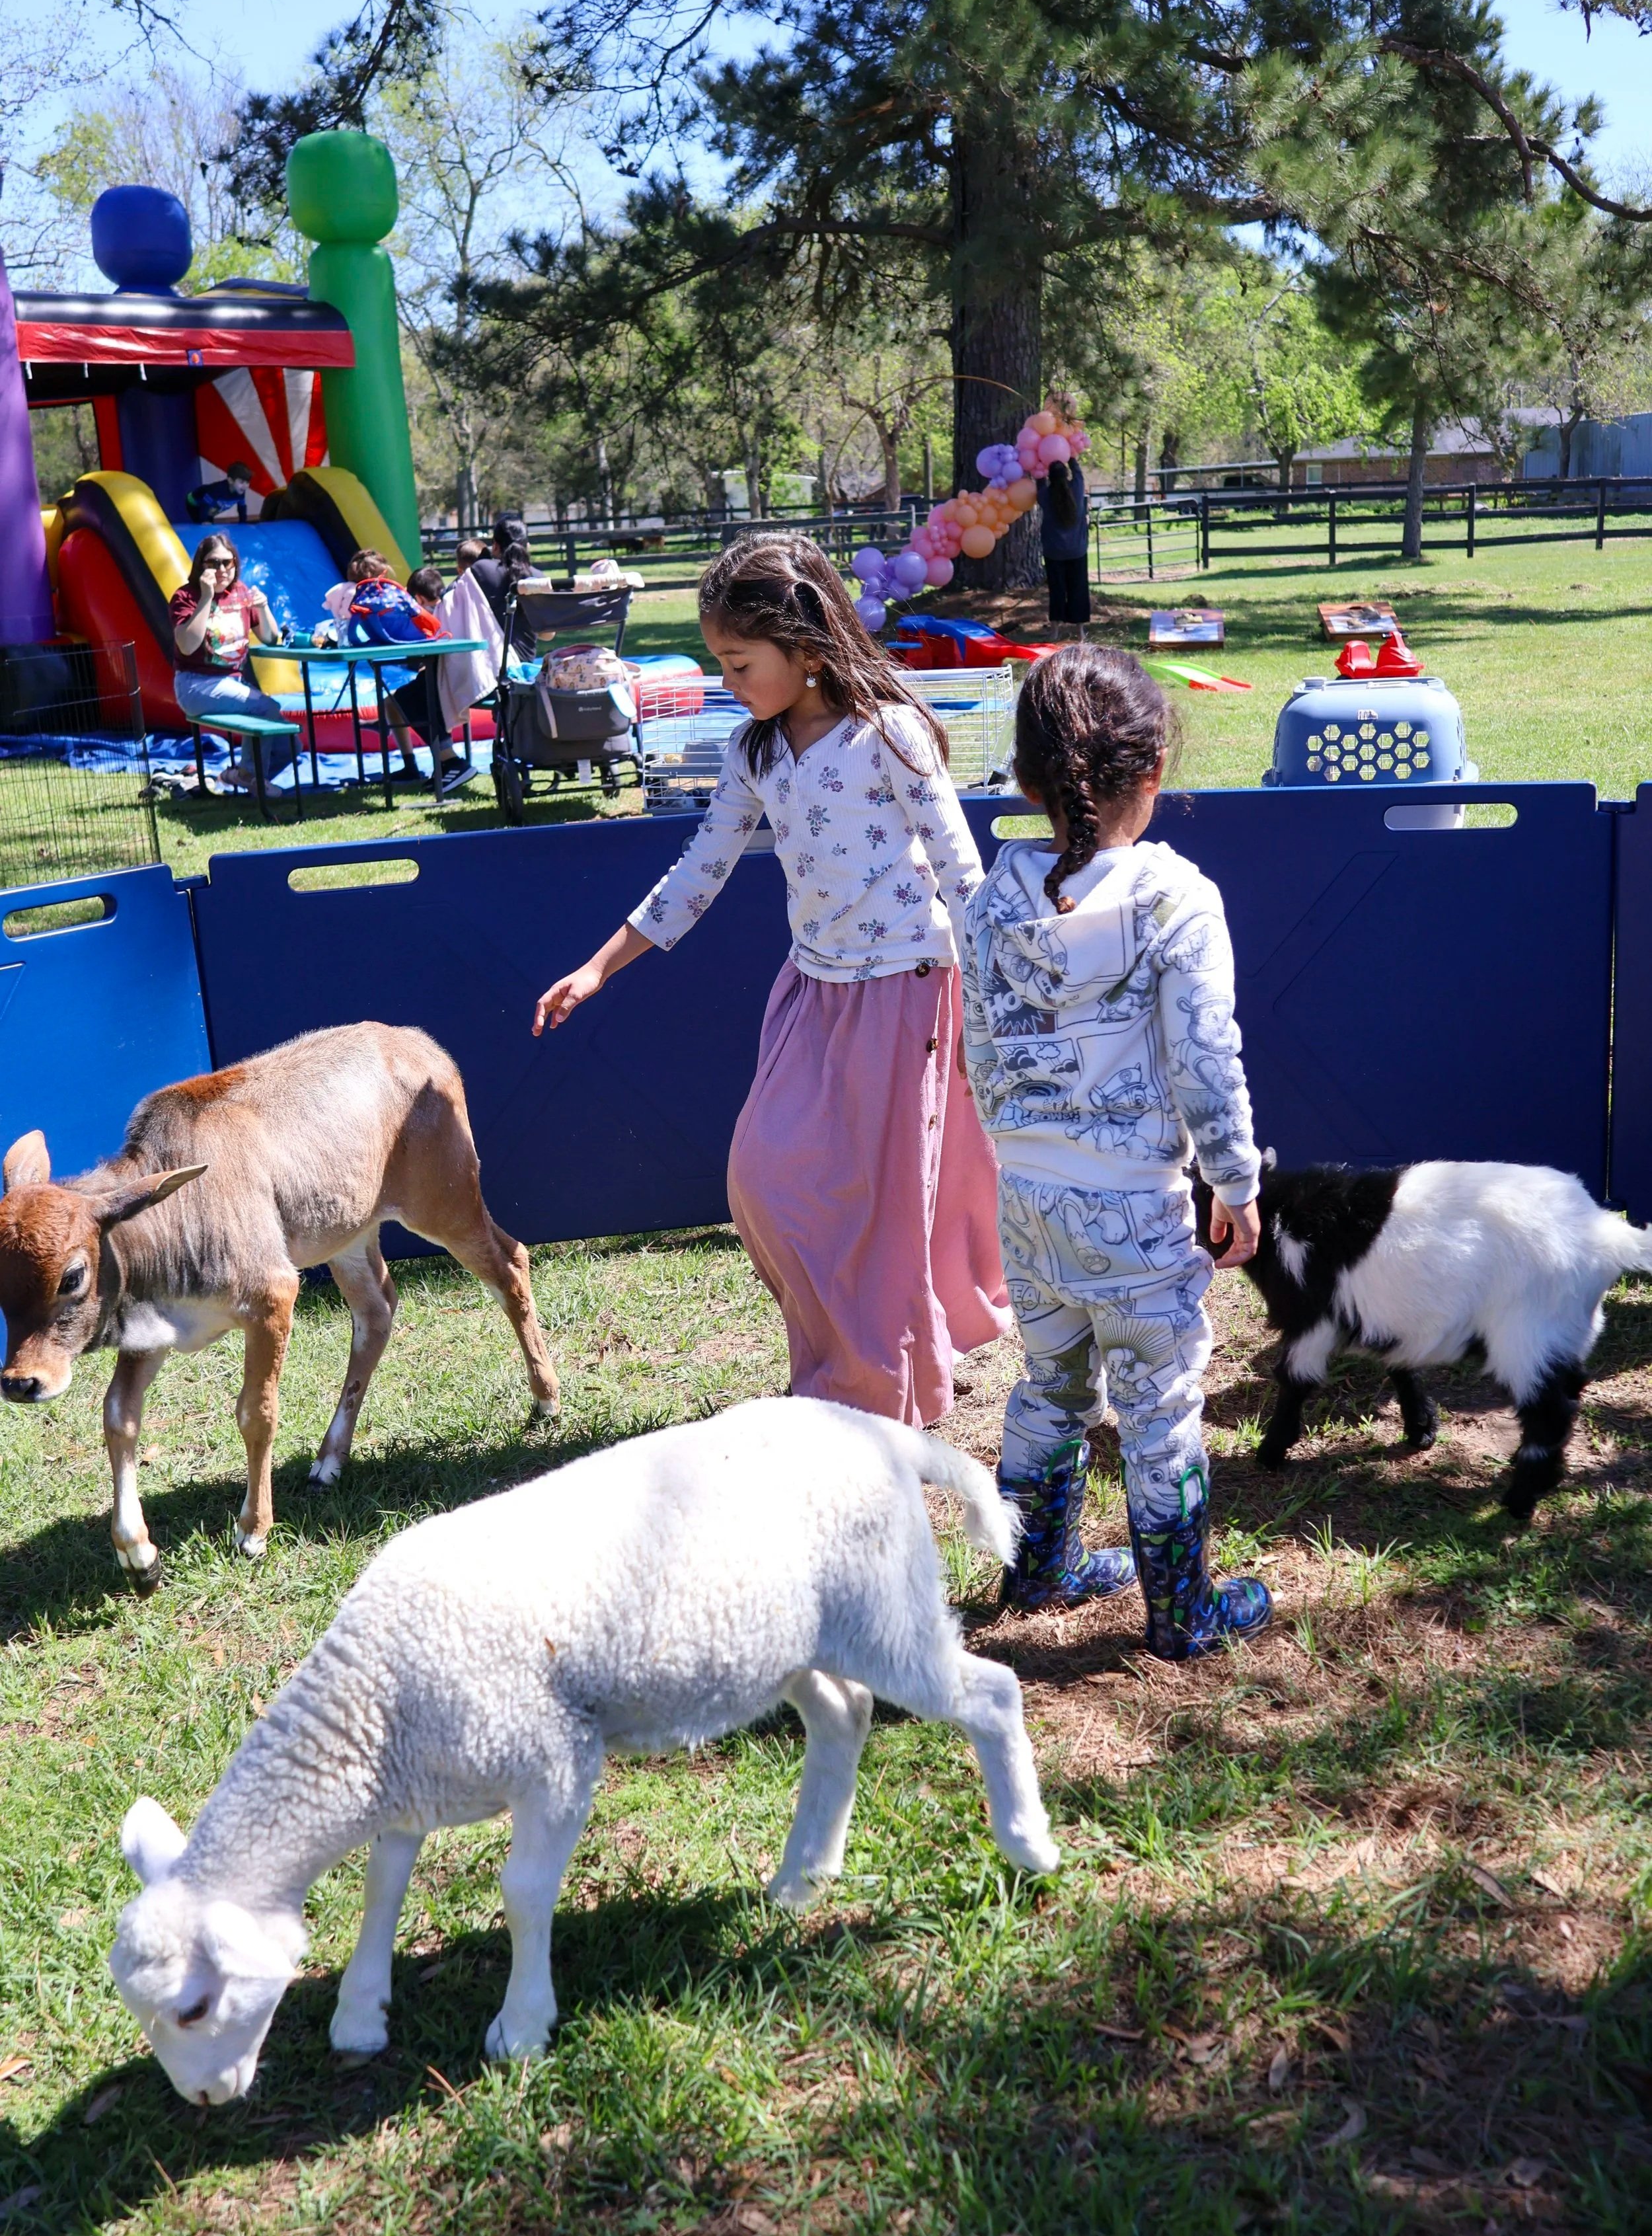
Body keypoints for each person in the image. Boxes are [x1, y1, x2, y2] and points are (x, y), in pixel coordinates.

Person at [531, 530, 1009, 1426]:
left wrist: (1003, 985)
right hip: (813, 990)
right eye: (722, 663)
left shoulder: (889, 735)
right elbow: (699, 871)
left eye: (740, 662)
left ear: (807, 646)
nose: (729, 683)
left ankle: (875, 1390)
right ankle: (848, 1364)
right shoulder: (754, 754)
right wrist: (599, 967)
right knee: (764, 1176)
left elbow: (961, 871)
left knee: (888, 1206)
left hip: (908, 988)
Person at [959, 642, 1272, 1653]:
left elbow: (976, 1056)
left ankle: (1038, 1567)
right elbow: (1206, 1061)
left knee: (1050, 1382)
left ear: (1026, 781)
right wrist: (1235, 1181)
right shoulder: (1177, 901)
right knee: (1158, 1402)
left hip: (1029, 1199)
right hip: (1136, 1211)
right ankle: (1183, 1612)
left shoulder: (987, 902)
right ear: (1154, 772)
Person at [169, 533, 291, 794]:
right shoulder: (186, 596)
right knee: (266, 707)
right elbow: (188, 646)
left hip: (233, 684)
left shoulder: (242, 593)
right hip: (195, 685)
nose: (222, 569)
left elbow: (270, 638)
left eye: (228, 562)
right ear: (201, 565)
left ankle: (240, 776)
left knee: (289, 745)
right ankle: (250, 776)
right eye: (213, 563)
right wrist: (206, 598)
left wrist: (264, 606)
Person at [383, 564, 475, 792]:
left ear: (419, 598)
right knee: (398, 699)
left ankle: (450, 760)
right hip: (460, 672)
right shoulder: (450, 604)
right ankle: (437, 762)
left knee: (408, 697)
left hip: (453, 677)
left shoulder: (428, 615)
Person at [470, 514, 540, 662]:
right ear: (527, 546)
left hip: (488, 665)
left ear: (495, 546)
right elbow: (548, 634)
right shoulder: (539, 577)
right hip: (524, 665)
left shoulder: (482, 570)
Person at [1036, 457, 1090, 635]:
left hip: (1054, 551)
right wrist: (1072, 456)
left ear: (1050, 477)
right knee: (1079, 588)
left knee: (1057, 589)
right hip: (1077, 549)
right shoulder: (1077, 488)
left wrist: (1040, 461)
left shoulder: (1044, 495)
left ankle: (1055, 630)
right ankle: (1080, 631)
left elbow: (1039, 480)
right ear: (1066, 475)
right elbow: (1079, 473)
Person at [186, 463, 255, 525]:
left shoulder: (241, 491)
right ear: (231, 481)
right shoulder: (218, 490)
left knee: (210, 520)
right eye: (242, 482)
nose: (245, 486)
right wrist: (204, 521)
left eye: (247, 483)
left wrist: (243, 522)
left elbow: (242, 507)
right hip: (194, 502)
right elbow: (205, 504)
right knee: (203, 524)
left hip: (209, 505)